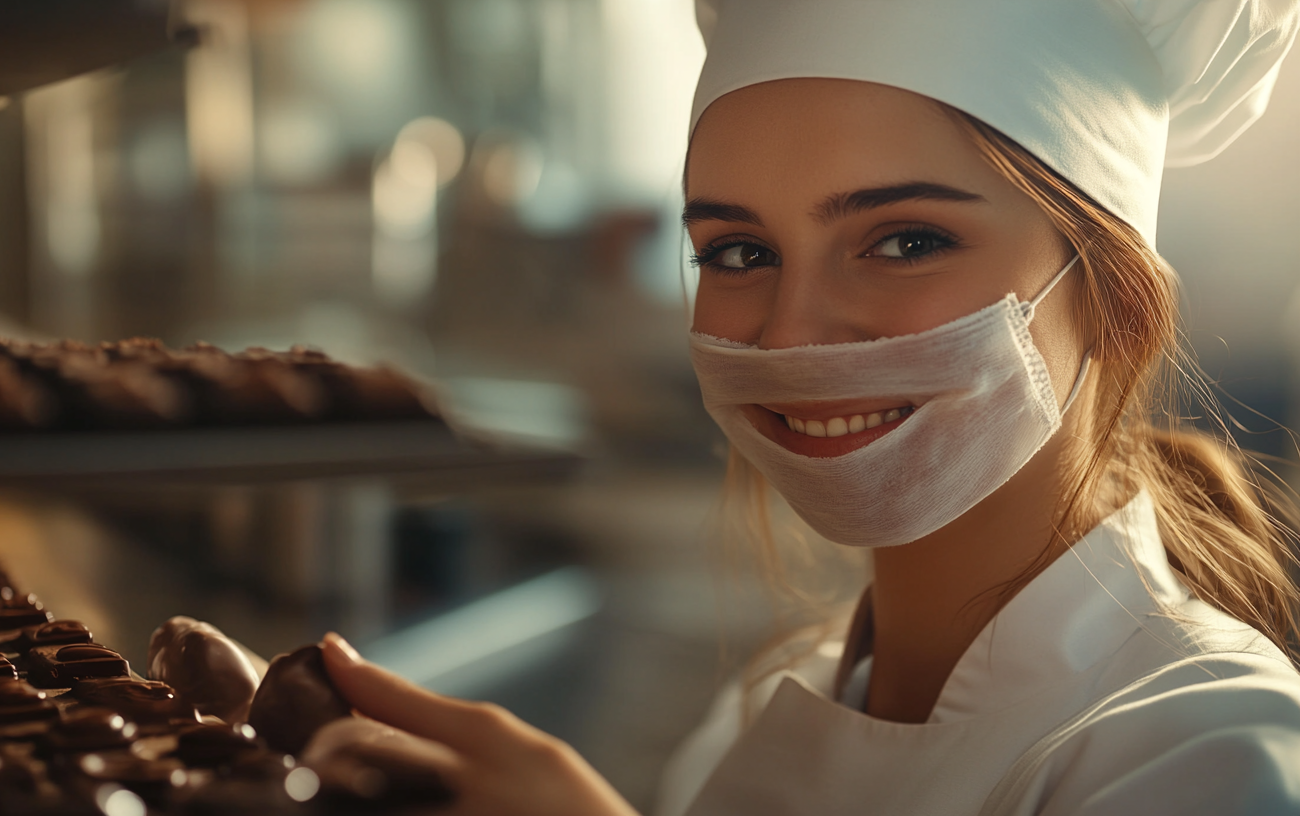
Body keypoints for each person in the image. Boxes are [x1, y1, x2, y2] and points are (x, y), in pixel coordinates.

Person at [308, 0, 1300, 813]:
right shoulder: (748, 723)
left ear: (1114, 299)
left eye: (905, 240)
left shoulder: (1206, 750)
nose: (788, 335)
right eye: (738, 253)